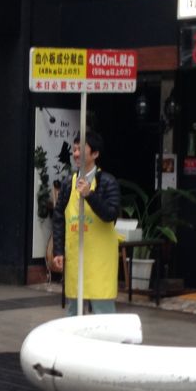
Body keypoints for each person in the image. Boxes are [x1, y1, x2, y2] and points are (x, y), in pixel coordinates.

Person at [52, 131, 120, 316]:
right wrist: (58, 250)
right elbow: (59, 216)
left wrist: (90, 195)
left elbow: (111, 214)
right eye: (74, 149)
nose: (75, 154)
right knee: (73, 311)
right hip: (76, 256)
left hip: (100, 260)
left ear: (95, 154)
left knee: (102, 312)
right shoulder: (68, 183)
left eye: (81, 149)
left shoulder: (107, 182)